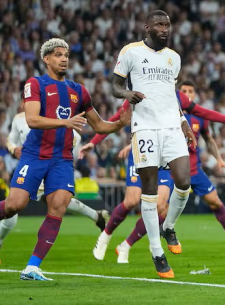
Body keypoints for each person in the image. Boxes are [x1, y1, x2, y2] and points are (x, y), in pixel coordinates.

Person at [0, 38, 130, 281]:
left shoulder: (79, 90)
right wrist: (65, 122)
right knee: (14, 205)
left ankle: (32, 267)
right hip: (34, 155)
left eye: (66, 55)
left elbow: (99, 125)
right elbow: (32, 119)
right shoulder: (35, 83)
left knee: (59, 205)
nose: (64, 59)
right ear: (46, 59)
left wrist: (120, 124)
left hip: (61, 159)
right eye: (58, 55)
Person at [83, 89, 225, 263]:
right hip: (143, 149)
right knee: (131, 201)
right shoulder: (140, 90)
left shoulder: (176, 96)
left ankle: (144, 244)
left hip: (167, 156)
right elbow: (116, 118)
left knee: (161, 206)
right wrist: (93, 142)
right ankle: (105, 236)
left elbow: (203, 113)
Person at [111, 10, 195, 279]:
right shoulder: (131, 52)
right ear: (146, 27)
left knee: (184, 182)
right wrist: (127, 94)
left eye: (167, 25)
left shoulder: (174, 58)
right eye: (159, 24)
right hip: (145, 128)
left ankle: (168, 226)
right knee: (149, 189)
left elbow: (171, 95)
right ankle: (157, 251)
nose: (164, 29)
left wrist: (183, 122)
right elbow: (115, 86)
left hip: (171, 127)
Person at [0, 101, 110, 262]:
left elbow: (75, 137)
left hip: (49, 167)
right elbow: (11, 140)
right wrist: (13, 149)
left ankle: (33, 264)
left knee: (58, 201)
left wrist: (61, 153)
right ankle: (96, 216)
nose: (26, 104)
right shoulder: (19, 119)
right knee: (13, 208)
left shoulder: (51, 116)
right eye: (25, 101)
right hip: (28, 167)